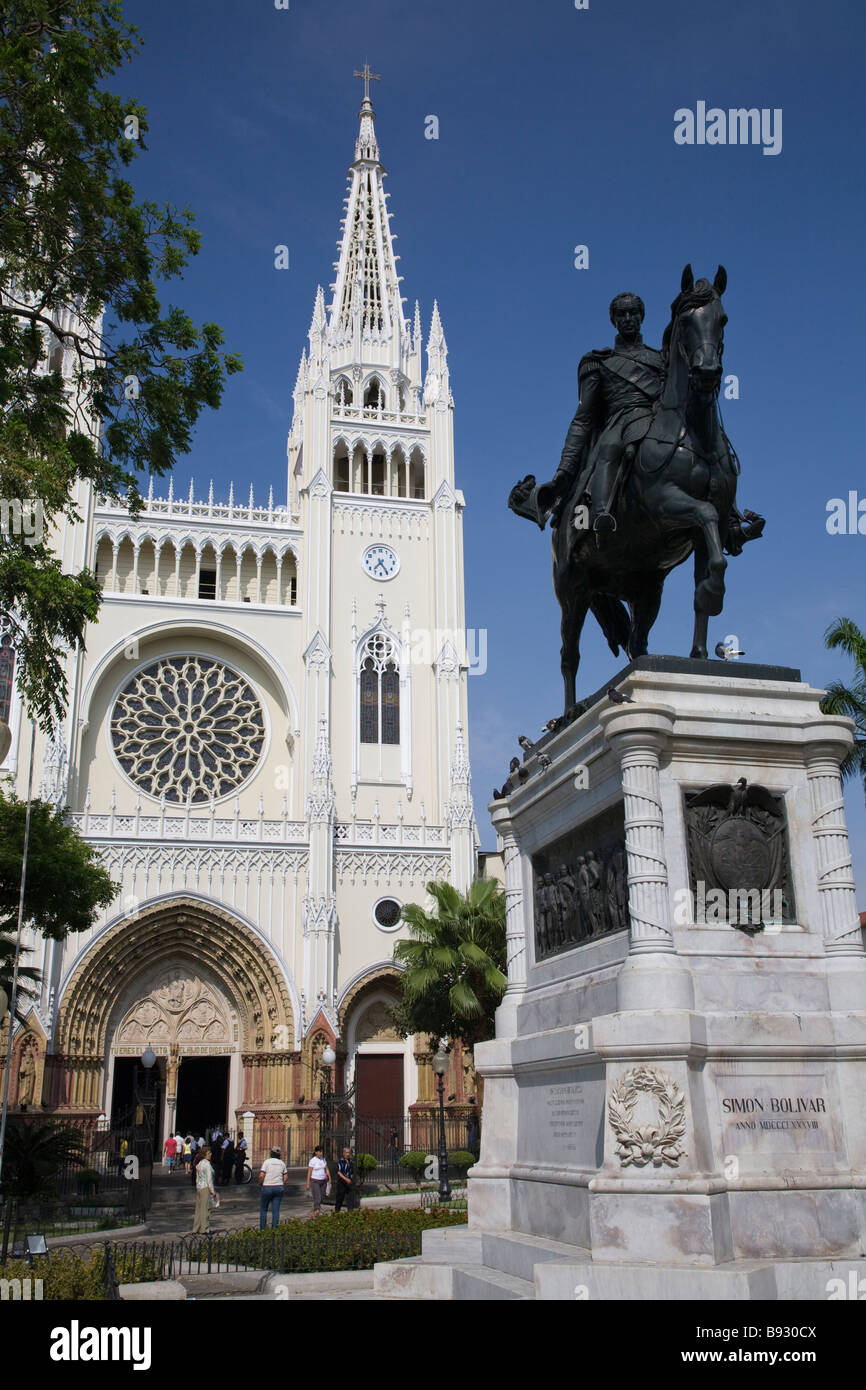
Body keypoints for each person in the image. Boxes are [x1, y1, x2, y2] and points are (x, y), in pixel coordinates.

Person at [534, 291, 663, 539]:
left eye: (633, 313)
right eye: (621, 314)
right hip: (618, 422)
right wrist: (564, 470)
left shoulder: (660, 360)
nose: (628, 318)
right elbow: (584, 418)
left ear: (642, 317)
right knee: (610, 446)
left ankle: (730, 520)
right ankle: (603, 513)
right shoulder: (599, 362)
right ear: (613, 320)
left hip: (654, 420)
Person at [259, 1146, 288, 1229]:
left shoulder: (267, 1162)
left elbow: (261, 1176)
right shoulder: (282, 1163)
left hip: (267, 1187)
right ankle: (274, 1229)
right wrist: (281, 1184)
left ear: (271, 1153)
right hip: (278, 1187)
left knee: (264, 1209)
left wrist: (261, 1184)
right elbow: (286, 1177)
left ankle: (262, 1229)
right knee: (275, 1210)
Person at [192, 1147, 217, 1234]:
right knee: (205, 1208)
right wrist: (212, 1191)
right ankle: (204, 1228)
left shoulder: (199, 1164)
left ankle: (196, 1228)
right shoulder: (207, 1164)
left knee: (198, 1209)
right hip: (205, 1187)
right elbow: (209, 1179)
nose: (210, 1154)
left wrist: (197, 1186)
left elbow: (197, 1178)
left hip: (199, 1187)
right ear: (205, 1155)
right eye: (209, 1153)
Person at [306, 1144, 328, 1218]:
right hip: (315, 1181)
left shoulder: (323, 1159)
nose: (321, 1153)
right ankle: (317, 1211)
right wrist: (308, 1183)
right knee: (317, 1197)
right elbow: (309, 1172)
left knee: (321, 1197)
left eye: (322, 1152)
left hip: (323, 1181)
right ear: (316, 1152)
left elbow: (326, 1169)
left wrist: (329, 1178)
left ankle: (314, 1210)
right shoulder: (313, 1161)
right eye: (319, 1152)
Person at [334, 1147, 355, 1213]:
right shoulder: (340, 1161)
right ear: (343, 1153)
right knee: (340, 1197)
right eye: (346, 1152)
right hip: (342, 1182)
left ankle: (350, 1211)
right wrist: (345, 1179)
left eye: (349, 1153)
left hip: (349, 1182)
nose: (348, 1154)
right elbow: (338, 1172)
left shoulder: (351, 1162)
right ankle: (337, 1211)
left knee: (350, 1197)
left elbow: (352, 1171)